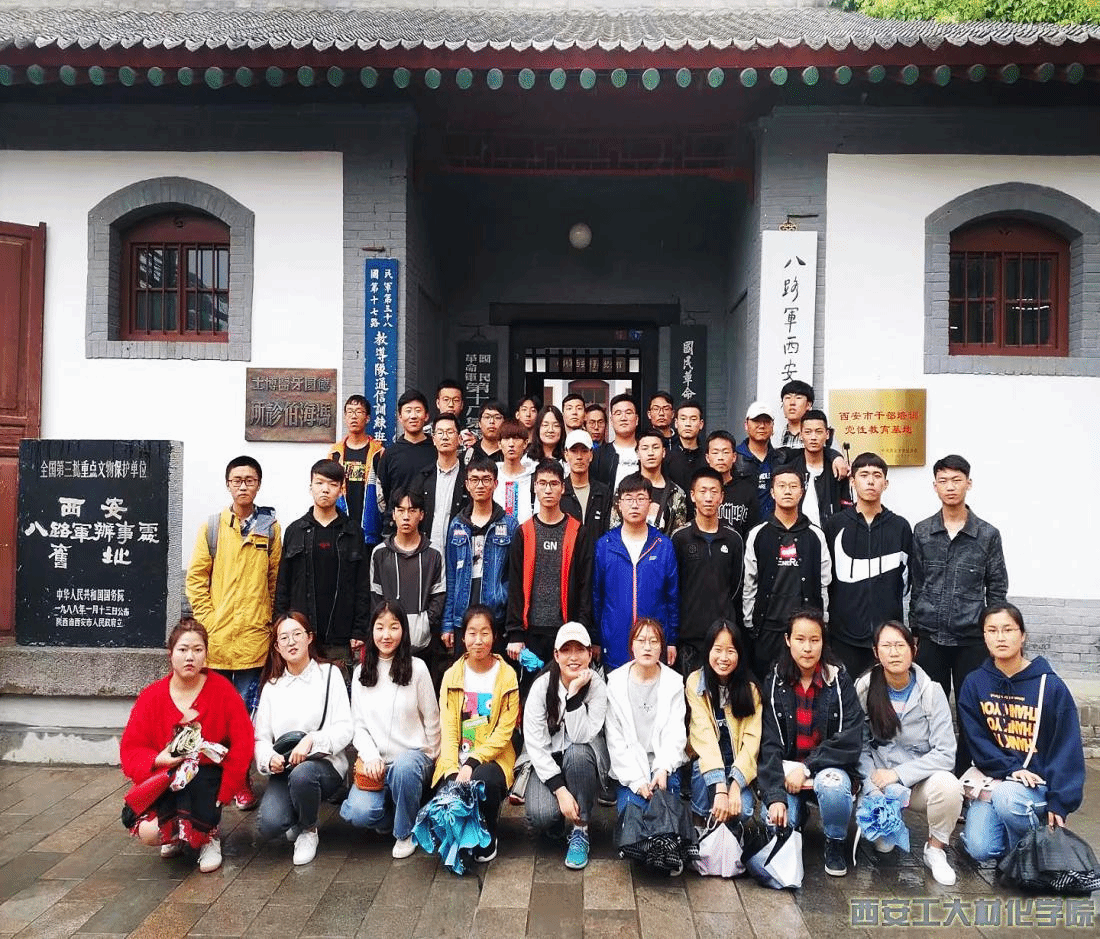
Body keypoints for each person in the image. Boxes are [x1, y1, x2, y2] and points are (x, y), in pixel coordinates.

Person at [119, 619, 253, 874]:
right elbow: (131, 747)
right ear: (171, 654)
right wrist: (159, 759)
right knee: (149, 832)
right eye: (183, 649)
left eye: (197, 650)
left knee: (201, 785)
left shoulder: (223, 691)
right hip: (168, 776)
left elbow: (243, 741)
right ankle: (176, 836)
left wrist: (228, 789)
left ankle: (208, 836)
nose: (190, 657)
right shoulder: (152, 696)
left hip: (208, 777)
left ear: (206, 654)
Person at [185, 454, 281, 810]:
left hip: (254, 640)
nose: (243, 486)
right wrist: (208, 620)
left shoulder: (270, 528)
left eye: (249, 480)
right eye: (237, 480)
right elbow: (196, 579)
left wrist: (268, 619)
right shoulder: (212, 527)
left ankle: (240, 779)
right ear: (228, 484)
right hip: (218, 640)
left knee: (245, 717)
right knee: (216, 716)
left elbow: (275, 579)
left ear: (258, 484)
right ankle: (218, 779)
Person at [957, 603, 1085, 863]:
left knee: (1008, 798)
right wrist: (1010, 769)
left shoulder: (1050, 686)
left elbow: (1067, 747)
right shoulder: (974, 683)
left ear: (1023, 635)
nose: (1000, 637)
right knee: (980, 848)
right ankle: (1019, 849)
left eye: (1008, 629)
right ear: (984, 636)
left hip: (1036, 788)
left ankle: (1035, 857)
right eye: (992, 630)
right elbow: (976, 740)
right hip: (994, 781)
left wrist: (1060, 801)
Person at [854, 620, 962, 886]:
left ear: (914, 649)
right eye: (886, 646)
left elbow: (946, 753)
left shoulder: (931, 692)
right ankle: (888, 821)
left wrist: (899, 774)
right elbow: (858, 745)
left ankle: (935, 849)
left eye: (900, 645)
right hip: (879, 783)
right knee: (883, 846)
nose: (894, 652)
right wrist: (872, 786)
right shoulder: (865, 689)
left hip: (917, 783)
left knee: (949, 786)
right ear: (875, 652)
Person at [758, 609, 863, 877]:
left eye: (814, 640)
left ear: (823, 642)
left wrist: (807, 768)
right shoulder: (775, 682)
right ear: (787, 640)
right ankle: (798, 817)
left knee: (834, 788)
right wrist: (775, 797)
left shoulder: (838, 680)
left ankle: (835, 840)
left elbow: (850, 739)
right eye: (800, 639)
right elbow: (769, 743)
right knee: (776, 822)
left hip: (826, 769)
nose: (807, 648)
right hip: (787, 774)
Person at [340, 601, 441, 859]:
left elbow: (432, 718)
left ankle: (404, 833)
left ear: (403, 631)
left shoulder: (417, 668)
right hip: (377, 764)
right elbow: (358, 725)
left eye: (394, 627)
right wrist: (371, 756)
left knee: (405, 768)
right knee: (359, 814)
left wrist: (434, 757)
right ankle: (396, 814)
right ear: (371, 631)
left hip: (413, 760)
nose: (386, 635)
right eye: (380, 627)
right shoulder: (361, 672)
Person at [910, 455, 1009, 715]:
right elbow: (917, 584)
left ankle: (969, 746)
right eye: (943, 481)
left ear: (969, 483)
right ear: (935, 486)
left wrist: (994, 633)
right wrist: (915, 631)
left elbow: (997, 589)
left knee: (974, 710)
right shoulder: (922, 531)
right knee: (930, 710)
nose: (950, 487)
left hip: (972, 639)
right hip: (931, 637)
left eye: (956, 480)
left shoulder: (987, 535)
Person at [253, 612, 352, 866]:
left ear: (309, 638)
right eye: (284, 638)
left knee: (303, 774)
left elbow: (345, 728)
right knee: (269, 824)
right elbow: (261, 738)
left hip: (324, 765)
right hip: (285, 768)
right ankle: (296, 814)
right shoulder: (272, 686)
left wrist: (311, 741)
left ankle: (309, 829)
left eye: (297, 634)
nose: (291, 642)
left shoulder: (329, 674)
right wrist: (269, 758)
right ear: (277, 647)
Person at [434, 605, 521, 863]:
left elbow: (504, 732)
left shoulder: (507, 676)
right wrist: (452, 770)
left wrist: (472, 763)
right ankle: (465, 828)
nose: (478, 640)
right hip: (457, 757)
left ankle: (488, 829)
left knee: (484, 780)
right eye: (472, 633)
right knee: (446, 796)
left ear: (494, 636)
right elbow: (449, 728)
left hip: (492, 759)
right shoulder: (451, 676)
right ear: (463, 637)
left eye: (485, 633)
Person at [523, 622, 608, 870]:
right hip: (548, 761)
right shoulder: (541, 687)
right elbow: (535, 745)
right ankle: (558, 819)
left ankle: (581, 828)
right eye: (566, 650)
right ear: (556, 655)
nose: (573, 657)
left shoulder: (597, 687)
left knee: (578, 754)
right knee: (541, 815)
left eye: (580, 650)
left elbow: (582, 736)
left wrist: (574, 696)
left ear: (590, 654)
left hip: (580, 759)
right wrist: (560, 791)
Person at [604, 618, 688, 867]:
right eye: (641, 640)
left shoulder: (673, 682)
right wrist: (637, 781)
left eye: (654, 641)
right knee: (633, 826)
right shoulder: (616, 683)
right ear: (632, 645)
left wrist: (662, 768)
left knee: (666, 823)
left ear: (662, 647)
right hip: (630, 770)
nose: (647, 647)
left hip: (663, 766)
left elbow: (676, 733)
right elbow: (615, 740)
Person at [823, 452, 912, 680]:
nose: (870, 481)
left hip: (887, 638)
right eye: (863, 475)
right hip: (843, 637)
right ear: (852, 481)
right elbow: (825, 579)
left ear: (886, 483)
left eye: (877, 475)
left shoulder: (900, 527)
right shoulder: (834, 525)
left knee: (884, 698)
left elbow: (907, 581)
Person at [275, 459, 371, 666]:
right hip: (300, 633)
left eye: (332, 484)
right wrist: (280, 625)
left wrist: (359, 630)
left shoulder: (353, 532)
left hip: (341, 634)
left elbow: (362, 586)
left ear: (341, 489)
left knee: (338, 685)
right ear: (310, 487)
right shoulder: (295, 531)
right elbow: (283, 584)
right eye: (319, 483)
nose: (325, 489)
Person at [506, 460, 594, 673]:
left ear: (563, 488)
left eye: (554, 484)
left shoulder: (578, 532)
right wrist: (515, 633)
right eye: (542, 483)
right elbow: (515, 584)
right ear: (534, 486)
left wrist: (582, 630)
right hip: (531, 631)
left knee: (567, 688)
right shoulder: (524, 532)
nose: (548, 490)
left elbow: (586, 585)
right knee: (533, 689)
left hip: (566, 631)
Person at [743, 466, 831, 679]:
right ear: (772, 492)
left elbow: (824, 581)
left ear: (802, 492)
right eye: (781, 486)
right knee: (767, 683)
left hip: (805, 631)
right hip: (767, 626)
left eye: (793, 486)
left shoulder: (815, 535)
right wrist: (749, 620)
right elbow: (749, 581)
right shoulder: (758, 533)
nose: (788, 491)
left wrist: (824, 619)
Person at [593, 475, 679, 670]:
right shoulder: (605, 545)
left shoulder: (663, 545)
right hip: (615, 640)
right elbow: (597, 596)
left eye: (641, 498)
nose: (634, 505)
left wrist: (672, 640)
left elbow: (672, 597)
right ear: (619, 504)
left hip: (653, 643)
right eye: (629, 499)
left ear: (650, 503)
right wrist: (597, 638)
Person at [686, 619, 762, 826]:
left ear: (740, 653)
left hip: (737, 765)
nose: (723, 658)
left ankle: (729, 832)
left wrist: (735, 785)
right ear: (708, 650)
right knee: (700, 771)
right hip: (708, 763)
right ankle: (700, 824)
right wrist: (720, 786)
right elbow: (703, 735)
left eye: (730, 651)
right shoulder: (695, 682)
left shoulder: (751, 690)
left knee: (743, 810)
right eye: (717, 650)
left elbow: (752, 743)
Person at [672, 468, 745, 678]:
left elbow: (736, 587)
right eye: (703, 491)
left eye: (714, 491)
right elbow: (675, 587)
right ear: (692, 495)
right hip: (689, 637)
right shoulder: (680, 538)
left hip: (723, 637)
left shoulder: (734, 539)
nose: (708, 497)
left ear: (722, 497)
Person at [369, 488, 446, 685]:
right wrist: (387, 628)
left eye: (412, 510)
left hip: (423, 643)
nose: (406, 516)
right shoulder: (380, 553)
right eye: (401, 510)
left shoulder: (434, 553)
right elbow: (375, 597)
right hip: (388, 642)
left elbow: (438, 595)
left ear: (421, 515)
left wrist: (425, 623)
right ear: (393, 514)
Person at [443, 458, 519, 651]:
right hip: (463, 614)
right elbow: (451, 576)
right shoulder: (457, 525)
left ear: (495, 483)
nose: (480, 485)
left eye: (486, 479)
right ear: (467, 484)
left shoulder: (509, 525)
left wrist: (502, 598)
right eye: (474, 479)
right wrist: (447, 623)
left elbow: (515, 576)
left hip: (496, 615)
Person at [773, 409, 851, 529]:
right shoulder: (791, 469)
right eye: (808, 432)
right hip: (796, 534)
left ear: (827, 434)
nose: (813, 437)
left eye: (818, 432)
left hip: (830, 535)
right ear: (801, 435)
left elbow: (846, 509)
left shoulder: (837, 470)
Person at [328, 394, 385, 549]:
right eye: (350, 412)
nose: (354, 416)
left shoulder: (378, 452)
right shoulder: (335, 453)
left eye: (359, 412)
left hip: (370, 528)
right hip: (340, 527)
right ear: (345, 417)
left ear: (367, 418)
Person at [608, 428, 688, 536]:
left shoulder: (676, 493)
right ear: (638, 453)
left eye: (655, 447)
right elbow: (614, 528)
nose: (650, 453)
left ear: (663, 452)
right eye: (645, 448)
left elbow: (678, 535)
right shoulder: (625, 488)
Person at [411, 412, 469, 556]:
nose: (445, 437)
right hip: (426, 553)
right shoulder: (423, 477)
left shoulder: (468, 477)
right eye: (440, 432)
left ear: (459, 439)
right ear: (434, 439)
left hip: (460, 552)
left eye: (450, 432)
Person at [375, 390, 437, 512]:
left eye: (418, 410)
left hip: (431, 519)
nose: (413, 416)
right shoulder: (390, 454)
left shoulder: (436, 450)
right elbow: (384, 492)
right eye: (408, 411)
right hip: (398, 520)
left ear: (426, 416)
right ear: (400, 417)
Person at [704, 430, 760, 540]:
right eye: (715, 452)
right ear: (707, 458)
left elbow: (752, 530)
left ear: (734, 457)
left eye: (725, 452)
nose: (720, 457)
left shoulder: (747, 490)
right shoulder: (700, 489)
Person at [561, 429, 611, 538]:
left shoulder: (603, 492)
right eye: (574, 451)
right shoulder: (559, 491)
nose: (579, 457)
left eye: (584, 451)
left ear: (591, 454)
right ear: (566, 455)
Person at [735, 401, 780, 517]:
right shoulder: (734, 458)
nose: (762, 426)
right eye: (756, 421)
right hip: (743, 523)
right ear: (746, 425)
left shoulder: (781, 458)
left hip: (773, 525)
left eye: (766, 421)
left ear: (772, 426)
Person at [591, 394, 640, 491]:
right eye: (618, 413)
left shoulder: (647, 451)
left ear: (637, 419)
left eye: (628, 413)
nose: (623, 418)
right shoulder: (598, 455)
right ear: (611, 420)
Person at [494, 418, 537, 523]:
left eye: (516, 438)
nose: (511, 444)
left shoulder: (534, 477)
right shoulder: (492, 476)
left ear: (525, 443)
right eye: (506, 438)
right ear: (499, 444)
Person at [665, 398, 706, 491]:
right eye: (683, 419)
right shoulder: (667, 457)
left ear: (701, 424)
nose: (688, 424)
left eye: (693, 419)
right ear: (676, 423)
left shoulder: (708, 456)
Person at [775, 379, 814, 449]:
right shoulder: (774, 437)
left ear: (808, 405)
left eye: (798, 398)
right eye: (788, 398)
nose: (792, 403)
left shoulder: (817, 436)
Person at [468, 399, 505, 464]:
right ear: (479, 423)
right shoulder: (470, 454)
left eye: (497, 417)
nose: (492, 421)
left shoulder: (508, 453)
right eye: (487, 417)